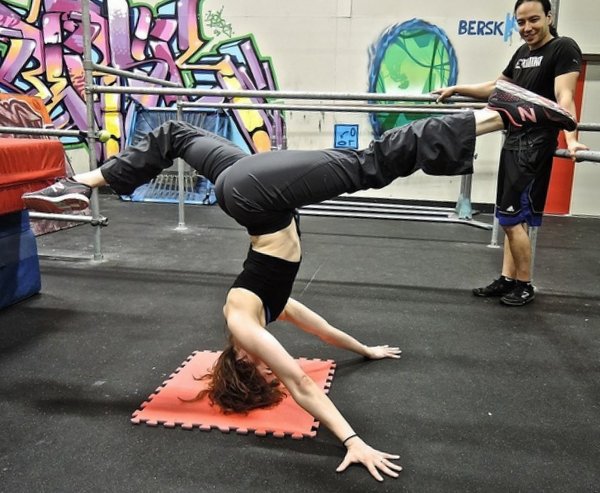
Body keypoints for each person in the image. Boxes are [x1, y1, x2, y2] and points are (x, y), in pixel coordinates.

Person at [22, 81, 576, 481]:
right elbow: (322, 328)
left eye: (258, 365)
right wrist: (366, 349)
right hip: (245, 183)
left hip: (253, 194)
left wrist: (353, 441)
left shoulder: (244, 321)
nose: (268, 361)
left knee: (369, 163)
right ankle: (83, 182)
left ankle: (504, 115)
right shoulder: (268, 309)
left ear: (245, 362)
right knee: (171, 133)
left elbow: (301, 384)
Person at [433, 0, 588, 306]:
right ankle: (507, 279)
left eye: (533, 20)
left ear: (549, 17)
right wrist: (457, 88)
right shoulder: (521, 54)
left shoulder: (563, 48)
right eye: (520, 22)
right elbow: (497, 88)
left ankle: (524, 284)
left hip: (535, 145)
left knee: (512, 217)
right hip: (514, 140)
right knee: (507, 217)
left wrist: (571, 139)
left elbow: (564, 96)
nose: (527, 28)